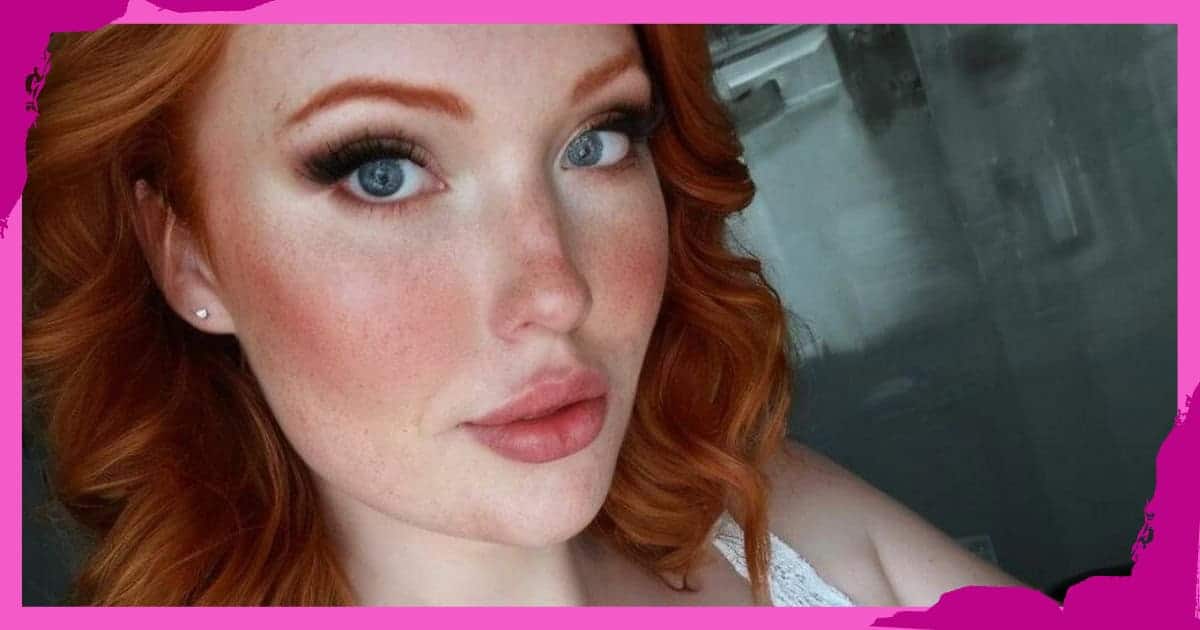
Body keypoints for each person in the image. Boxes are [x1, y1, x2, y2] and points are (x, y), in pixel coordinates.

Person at [22, 24, 1021, 606]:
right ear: (186, 254)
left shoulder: (779, 531)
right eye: (381, 172)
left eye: (597, 142)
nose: (557, 291)